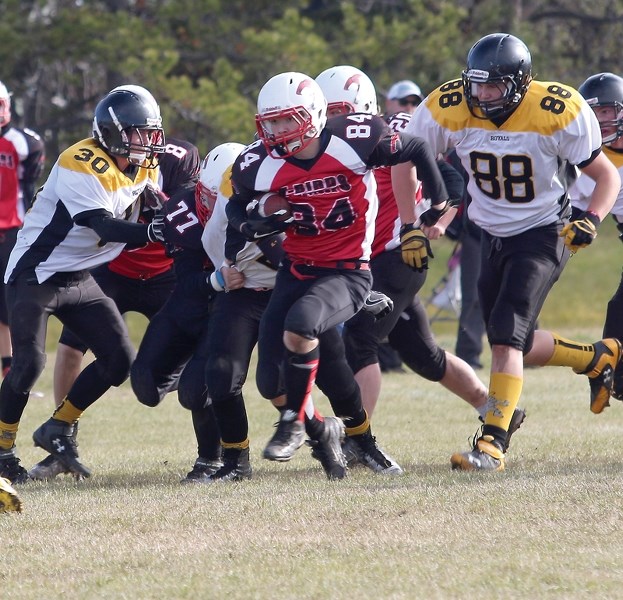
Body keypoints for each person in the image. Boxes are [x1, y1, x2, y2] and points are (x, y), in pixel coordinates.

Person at [400, 32, 621, 472]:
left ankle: (492, 443)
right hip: (489, 233)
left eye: (493, 87)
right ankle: (595, 357)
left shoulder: (555, 109)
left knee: (505, 333)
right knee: (513, 340)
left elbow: (606, 176)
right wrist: (411, 224)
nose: (481, 95)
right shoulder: (448, 106)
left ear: (520, 83)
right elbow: (405, 162)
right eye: (476, 84)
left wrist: (591, 219)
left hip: (543, 231)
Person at [225, 70, 451, 480]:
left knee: (300, 326)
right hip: (296, 271)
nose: (275, 131)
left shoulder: (354, 140)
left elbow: (415, 148)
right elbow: (237, 206)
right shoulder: (260, 164)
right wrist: (251, 224)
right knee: (281, 376)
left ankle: (293, 422)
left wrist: (433, 208)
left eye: (285, 120)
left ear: (312, 115)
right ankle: (349, 439)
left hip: (348, 272)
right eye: (269, 122)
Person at [316, 66, 525, 456]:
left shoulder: (386, 134)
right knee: (424, 356)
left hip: (399, 254)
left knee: (360, 340)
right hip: (372, 259)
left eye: (338, 111)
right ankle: (494, 408)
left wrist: (439, 218)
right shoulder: (328, 146)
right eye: (326, 113)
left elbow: (452, 178)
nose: (332, 121)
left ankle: (357, 442)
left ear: (360, 107)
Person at [0, 86, 168, 483]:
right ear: (111, 134)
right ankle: (3, 451)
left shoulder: (143, 166)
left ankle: (59, 427)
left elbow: (144, 198)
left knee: (119, 359)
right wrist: (153, 232)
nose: (147, 142)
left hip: (78, 276)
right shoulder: (80, 160)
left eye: (150, 133)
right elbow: (102, 224)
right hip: (36, 273)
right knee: (29, 364)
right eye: (138, 133)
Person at [28, 136, 199, 481]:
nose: (139, 141)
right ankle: (64, 437)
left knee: (197, 351)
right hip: (115, 268)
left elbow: (190, 209)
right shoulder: (98, 159)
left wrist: (163, 203)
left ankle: (212, 454)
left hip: (164, 272)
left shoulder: (179, 158)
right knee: (70, 348)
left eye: (145, 133)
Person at [129, 143, 227, 484]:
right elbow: (186, 282)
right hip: (191, 299)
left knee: (195, 391)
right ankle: (203, 372)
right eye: (208, 194)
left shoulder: (252, 215)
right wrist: (216, 278)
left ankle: (214, 459)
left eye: (222, 198)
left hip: (230, 310)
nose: (212, 204)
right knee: (144, 384)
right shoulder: (182, 209)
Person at [574, 72, 623, 400]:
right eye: (592, 114)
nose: (599, 120)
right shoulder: (593, 161)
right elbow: (575, 212)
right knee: (617, 314)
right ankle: (611, 378)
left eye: (606, 111)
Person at [0, 81, 46, 378]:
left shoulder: (24, 142)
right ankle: (9, 364)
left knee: (13, 302)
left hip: (13, 229)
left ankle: (17, 367)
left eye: (1, 104)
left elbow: (30, 188)